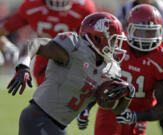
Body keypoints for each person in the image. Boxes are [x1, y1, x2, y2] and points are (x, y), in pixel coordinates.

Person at [6, 12, 135, 135]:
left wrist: (127, 94)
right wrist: (23, 66)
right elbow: (34, 43)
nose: (116, 46)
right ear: (97, 38)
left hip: (57, 125)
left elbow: (114, 108)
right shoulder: (75, 47)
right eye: (113, 41)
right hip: (38, 117)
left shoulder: (111, 68)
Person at [77, 5, 163, 135]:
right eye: (140, 31)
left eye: (151, 32)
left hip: (140, 112)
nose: (145, 37)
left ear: (160, 32)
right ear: (129, 29)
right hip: (111, 107)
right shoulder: (116, 44)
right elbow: (96, 80)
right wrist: (85, 107)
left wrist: (136, 116)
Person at [115, 0, 163, 134]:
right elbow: (114, 34)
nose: (144, 38)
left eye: (149, 32)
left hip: (159, 64)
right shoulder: (124, 10)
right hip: (129, 60)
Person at [0, 0, 96, 86]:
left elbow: (94, 40)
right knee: (48, 102)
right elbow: (3, 30)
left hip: (74, 61)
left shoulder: (84, 7)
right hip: (45, 63)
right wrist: (6, 46)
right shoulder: (31, 5)